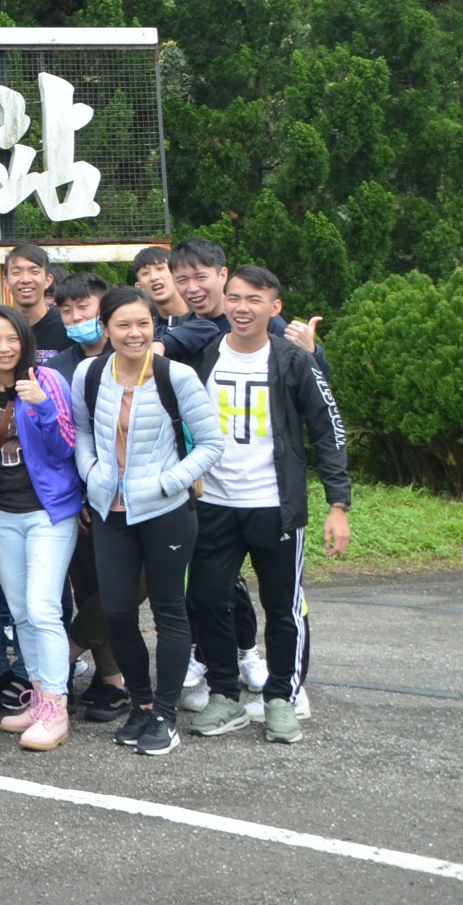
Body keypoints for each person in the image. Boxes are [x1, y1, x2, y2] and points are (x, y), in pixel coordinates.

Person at [182, 265, 351, 746]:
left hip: (275, 505)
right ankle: (224, 694)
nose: (242, 308)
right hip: (214, 504)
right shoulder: (204, 356)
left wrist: (338, 504)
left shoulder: (293, 360)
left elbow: (329, 431)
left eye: (254, 300)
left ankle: (281, 698)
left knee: (282, 606)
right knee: (206, 599)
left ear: (274, 308)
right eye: (235, 298)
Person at [71, 286, 224, 758]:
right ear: (106, 328)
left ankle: (165, 715)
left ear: (153, 327)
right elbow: (81, 431)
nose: (134, 333)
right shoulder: (90, 373)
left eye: (143, 324)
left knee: (168, 611)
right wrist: (92, 472)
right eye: (123, 325)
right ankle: (141, 704)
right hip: (111, 511)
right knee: (117, 613)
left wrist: (168, 483)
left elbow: (211, 444)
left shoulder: (176, 376)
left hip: (166, 512)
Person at [0, 306, 80, 751]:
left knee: (42, 607)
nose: (3, 348)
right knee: (19, 611)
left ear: (24, 340)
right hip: (1, 514)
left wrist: (44, 406)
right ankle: (38, 699)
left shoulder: (48, 380)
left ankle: (57, 706)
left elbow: (67, 446)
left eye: (11, 338)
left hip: (48, 512)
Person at [50, 272, 131, 724]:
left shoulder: (133, 357)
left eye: (84, 307)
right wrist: (79, 494)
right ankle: (112, 680)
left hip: (139, 500)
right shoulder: (59, 367)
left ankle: (69, 650)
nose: (76, 317)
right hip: (79, 500)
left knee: (124, 586)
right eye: (67, 311)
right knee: (90, 587)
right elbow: (63, 438)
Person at [2, 245, 70, 360]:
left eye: (34, 272)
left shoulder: (67, 324)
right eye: (16, 272)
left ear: (48, 280)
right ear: (6, 282)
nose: (25, 279)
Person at [133, 246, 192, 320]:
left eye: (160, 268)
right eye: (145, 273)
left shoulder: (203, 315)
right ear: (139, 287)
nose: (153, 277)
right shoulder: (147, 325)